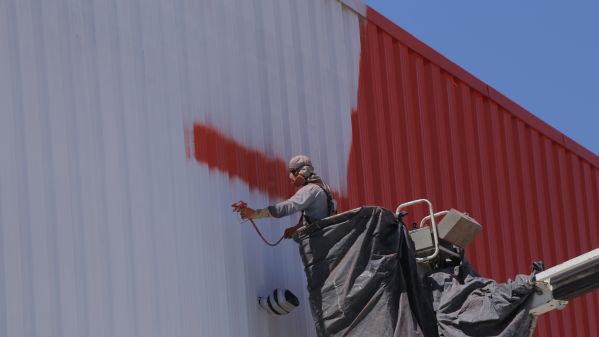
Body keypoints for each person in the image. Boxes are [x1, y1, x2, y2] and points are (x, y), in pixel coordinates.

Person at [240, 155, 336, 238]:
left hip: (319, 244)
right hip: (326, 239)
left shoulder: (310, 190)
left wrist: (255, 214)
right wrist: (296, 228)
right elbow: (317, 217)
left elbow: (286, 208)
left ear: (298, 172)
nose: (290, 176)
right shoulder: (322, 185)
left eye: (291, 171)